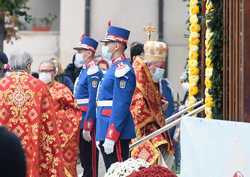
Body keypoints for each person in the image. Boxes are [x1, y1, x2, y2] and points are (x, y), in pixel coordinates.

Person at [0, 50, 63, 177]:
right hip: (32, 146)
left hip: (4, 146)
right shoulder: (40, 86)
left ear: (11, 66)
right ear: (29, 66)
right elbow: (49, 123)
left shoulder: (1, 85)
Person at [96, 25, 136, 170]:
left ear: (117, 45)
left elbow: (121, 105)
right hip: (105, 127)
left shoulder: (122, 69)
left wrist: (112, 135)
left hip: (115, 131)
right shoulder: (114, 67)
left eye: (107, 43)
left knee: (118, 171)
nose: (104, 47)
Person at [130, 40, 174, 167]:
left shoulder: (152, 81)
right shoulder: (139, 81)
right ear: (149, 65)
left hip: (155, 129)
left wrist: (161, 105)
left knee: (167, 155)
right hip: (143, 132)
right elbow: (137, 110)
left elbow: (156, 100)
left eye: (162, 67)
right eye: (158, 67)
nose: (161, 70)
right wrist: (156, 111)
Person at [39, 60, 82, 177]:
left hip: (59, 137)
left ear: (54, 72)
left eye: (47, 71)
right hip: (39, 138)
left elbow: (74, 111)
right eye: (42, 71)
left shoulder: (62, 90)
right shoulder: (35, 90)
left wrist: (55, 119)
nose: (44, 73)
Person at [74, 36, 102, 177]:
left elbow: (93, 101)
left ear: (89, 53)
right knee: (85, 160)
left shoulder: (93, 72)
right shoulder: (84, 70)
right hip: (80, 119)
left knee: (91, 163)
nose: (78, 54)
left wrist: (88, 125)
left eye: (81, 51)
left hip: (88, 121)